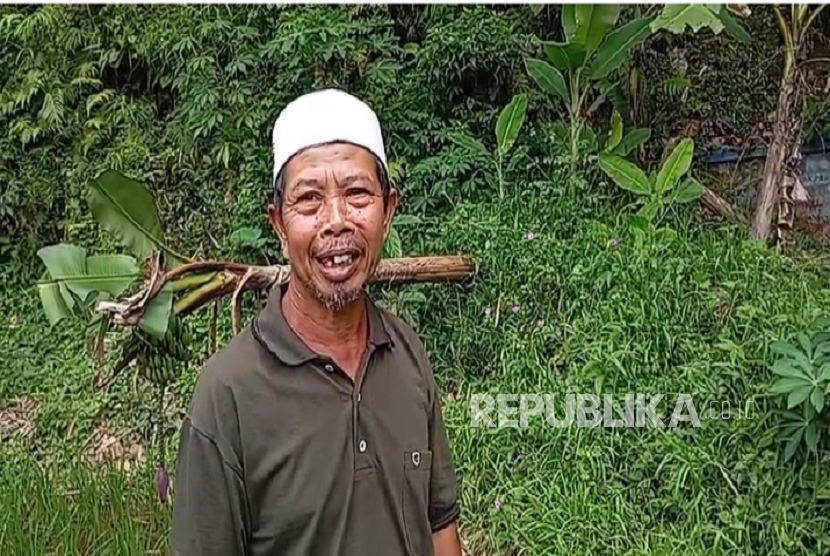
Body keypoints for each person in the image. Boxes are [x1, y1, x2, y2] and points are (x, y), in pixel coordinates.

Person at [170, 89, 463, 556]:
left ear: (388, 211)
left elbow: (440, 524)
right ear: (279, 223)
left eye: (357, 194)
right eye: (309, 199)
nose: (336, 221)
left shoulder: (406, 354)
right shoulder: (228, 396)